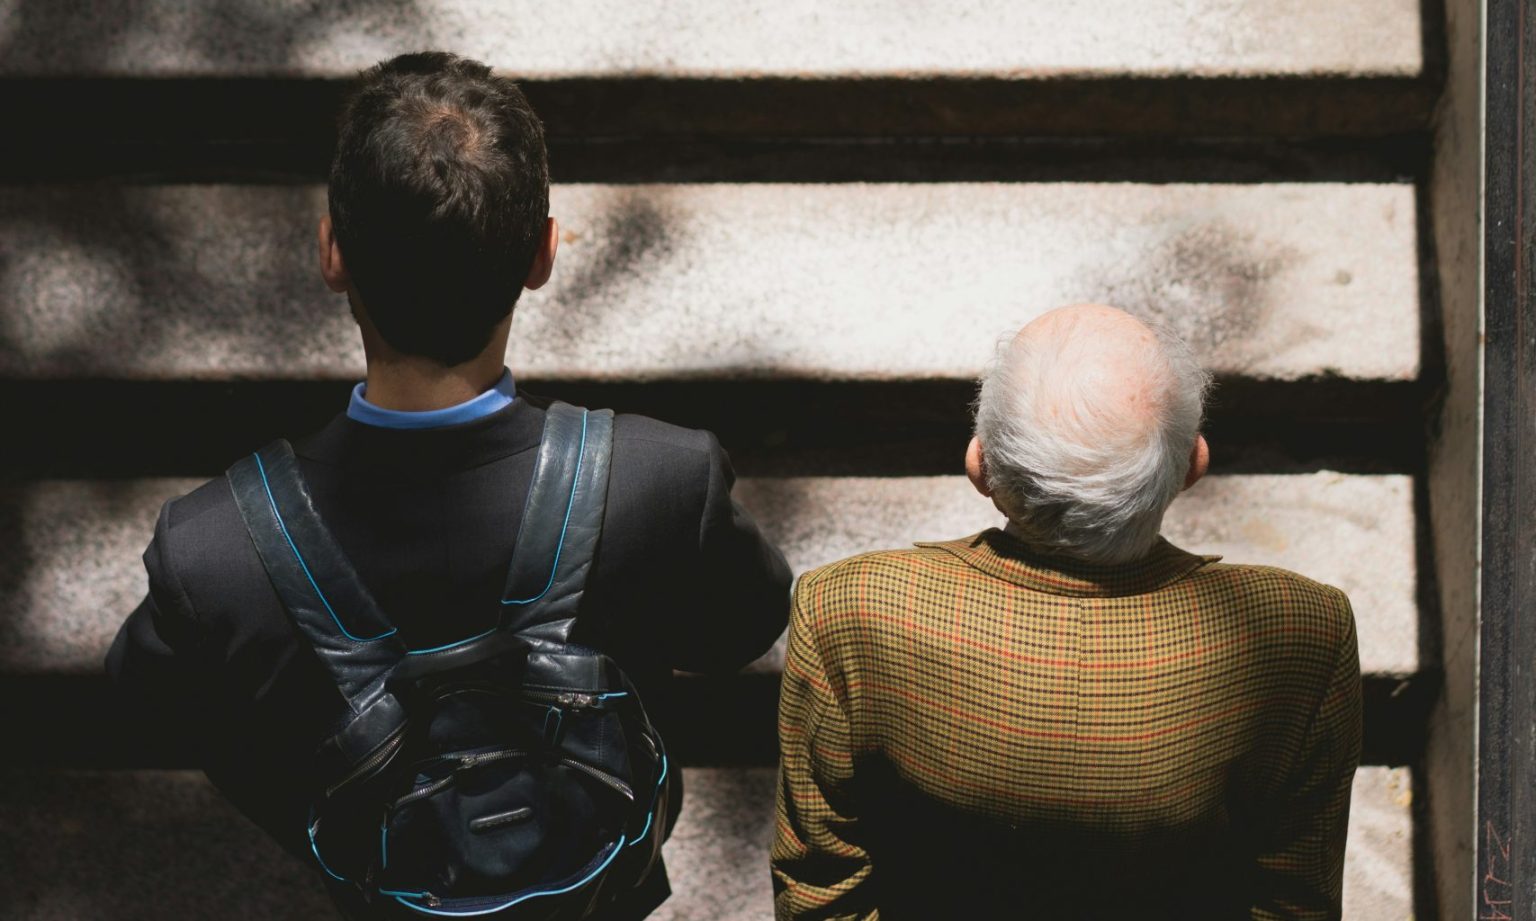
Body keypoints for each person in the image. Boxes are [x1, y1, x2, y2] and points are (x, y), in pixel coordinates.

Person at [106, 51, 792, 919]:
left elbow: (148, 708)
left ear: (332, 253)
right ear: (544, 253)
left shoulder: (212, 551)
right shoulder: (662, 480)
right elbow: (747, 623)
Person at [771, 304, 1362, 920]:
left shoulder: (850, 609)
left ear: (979, 466)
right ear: (1194, 464)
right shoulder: (1305, 631)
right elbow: (1293, 901)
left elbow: (820, 890)